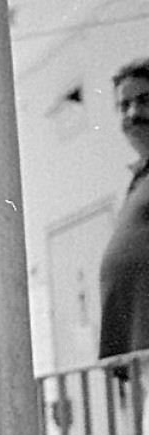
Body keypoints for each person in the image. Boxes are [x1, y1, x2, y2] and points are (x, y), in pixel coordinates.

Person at [99, 58, 149, 364]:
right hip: (138, 354)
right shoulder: (139, 179)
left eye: (144, 101)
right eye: (124, 105)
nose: (133, 113)